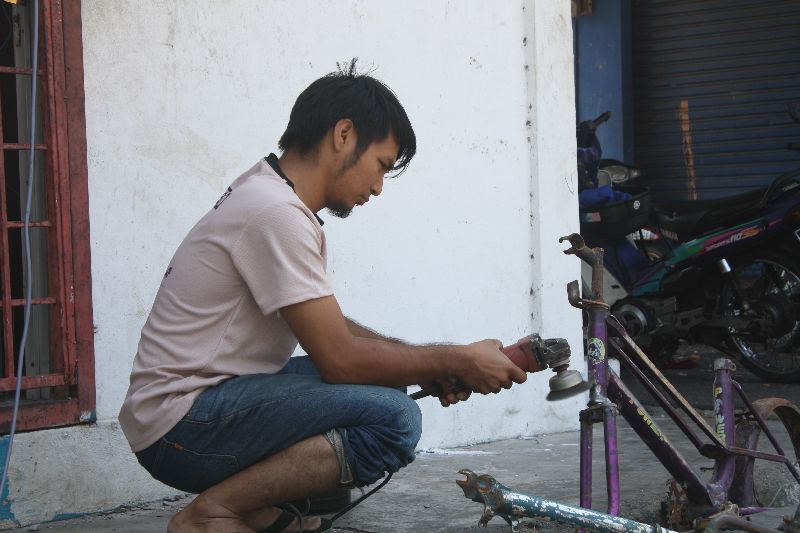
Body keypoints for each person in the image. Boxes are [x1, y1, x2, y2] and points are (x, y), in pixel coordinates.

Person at [118, 60, 527, 533]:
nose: (378, 187)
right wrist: (456, 358)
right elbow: (340, 360)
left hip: (195, 407)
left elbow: (330, 329)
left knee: (387, 386)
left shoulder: (268, 194)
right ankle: (213, 514)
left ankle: (255, 508)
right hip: (183, 425)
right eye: (381, 165)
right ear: (344, 134)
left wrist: (435, 365)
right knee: (395, 419)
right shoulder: (275, 212)